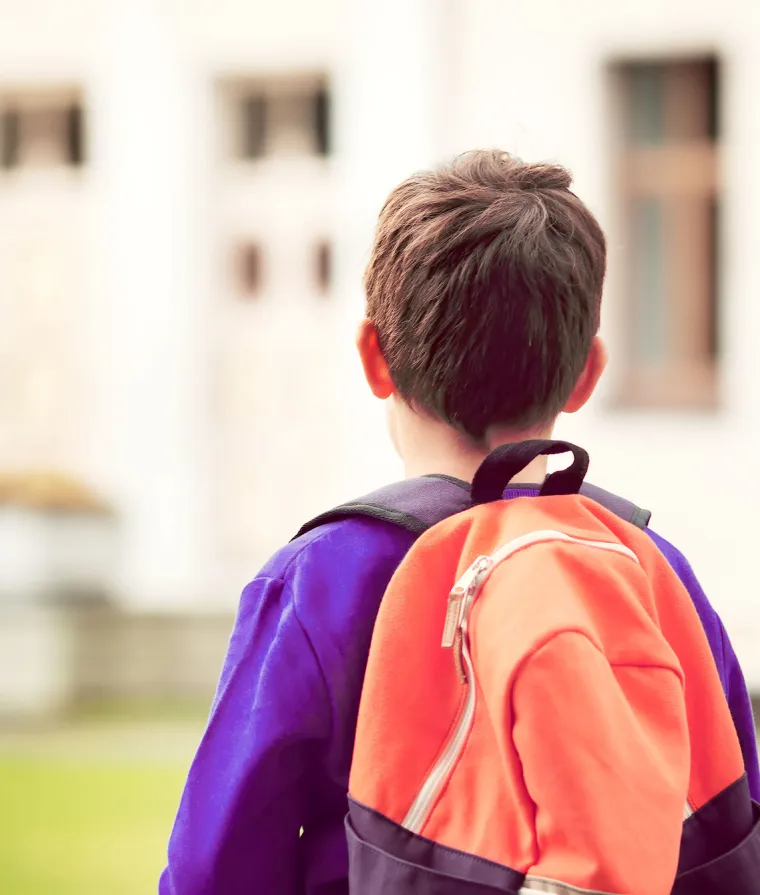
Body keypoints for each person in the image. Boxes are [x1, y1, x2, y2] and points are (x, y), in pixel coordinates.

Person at [159, 150, 759, 895]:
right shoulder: (653, 571)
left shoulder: (321, 579)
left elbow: (215, 867)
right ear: (586, 375)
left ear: (374, 357)